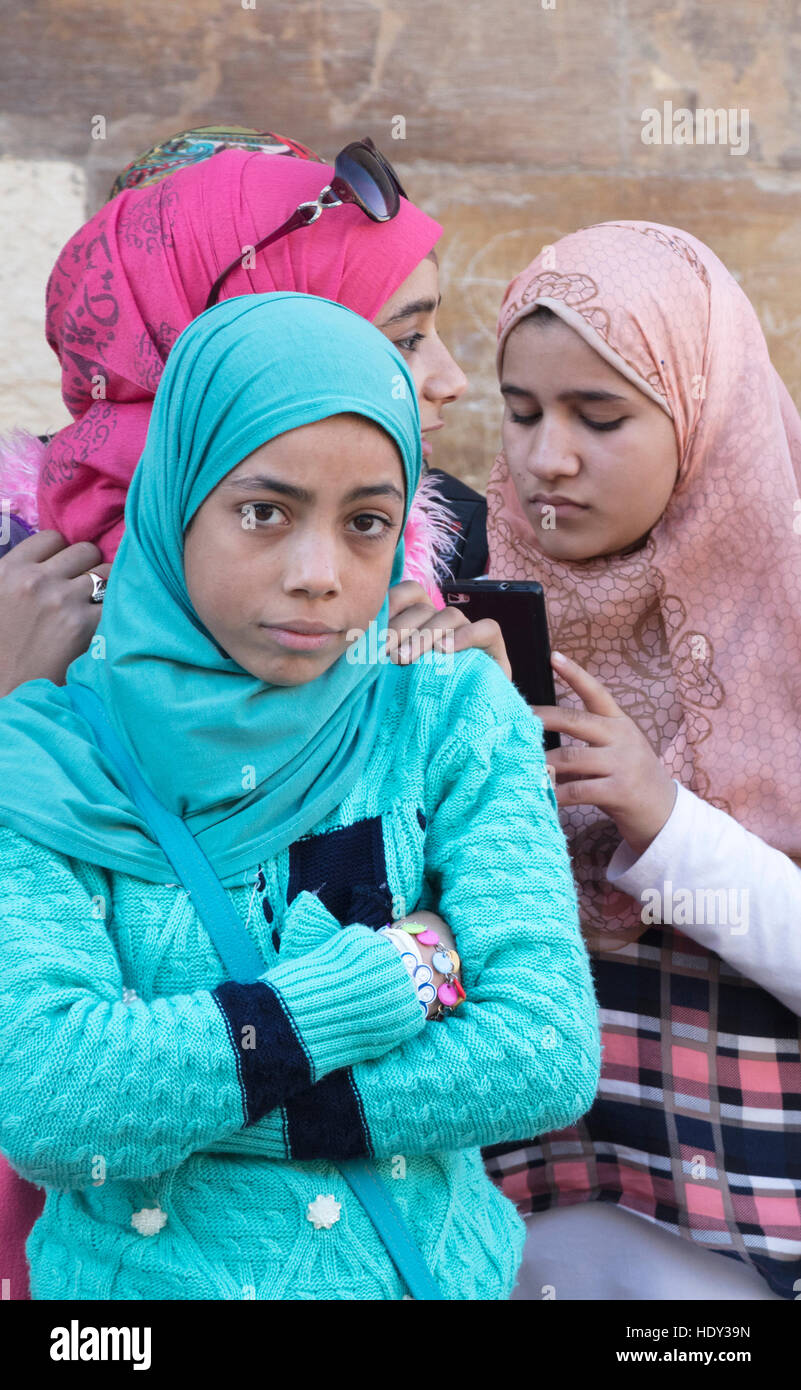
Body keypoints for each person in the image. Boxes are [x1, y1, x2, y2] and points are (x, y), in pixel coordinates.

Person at [0, 291, 600, 1300]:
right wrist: (389, 980)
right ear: (178, 495)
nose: (320, 574)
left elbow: (542, 1049)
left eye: (368, 523)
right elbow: (53, 1101)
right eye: (264, 512)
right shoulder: (53, 760)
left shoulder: (449, 714)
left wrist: (202, 1108)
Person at [480, 221, 801, 1300]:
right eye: (520, 413)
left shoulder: (790, 614)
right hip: (531, 1235)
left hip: (749, 1239)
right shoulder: (449, 593)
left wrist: (666, 822)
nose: (544, 458)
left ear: (704, 419)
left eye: (599, 415)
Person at [0, 125, 490, 697]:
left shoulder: (431, 557)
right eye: (403, 339)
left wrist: (482, 723)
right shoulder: (25, 577)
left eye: (363, 524)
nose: (454, 380)